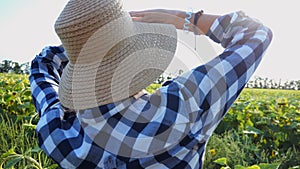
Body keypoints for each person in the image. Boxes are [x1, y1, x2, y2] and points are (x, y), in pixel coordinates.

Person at [29, 0, 272, 168]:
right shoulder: (179, 110)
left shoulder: (58, 130)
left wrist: (85, 45)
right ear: (137, 53)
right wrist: (185, 19)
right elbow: (256, 34)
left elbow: (42, 63)